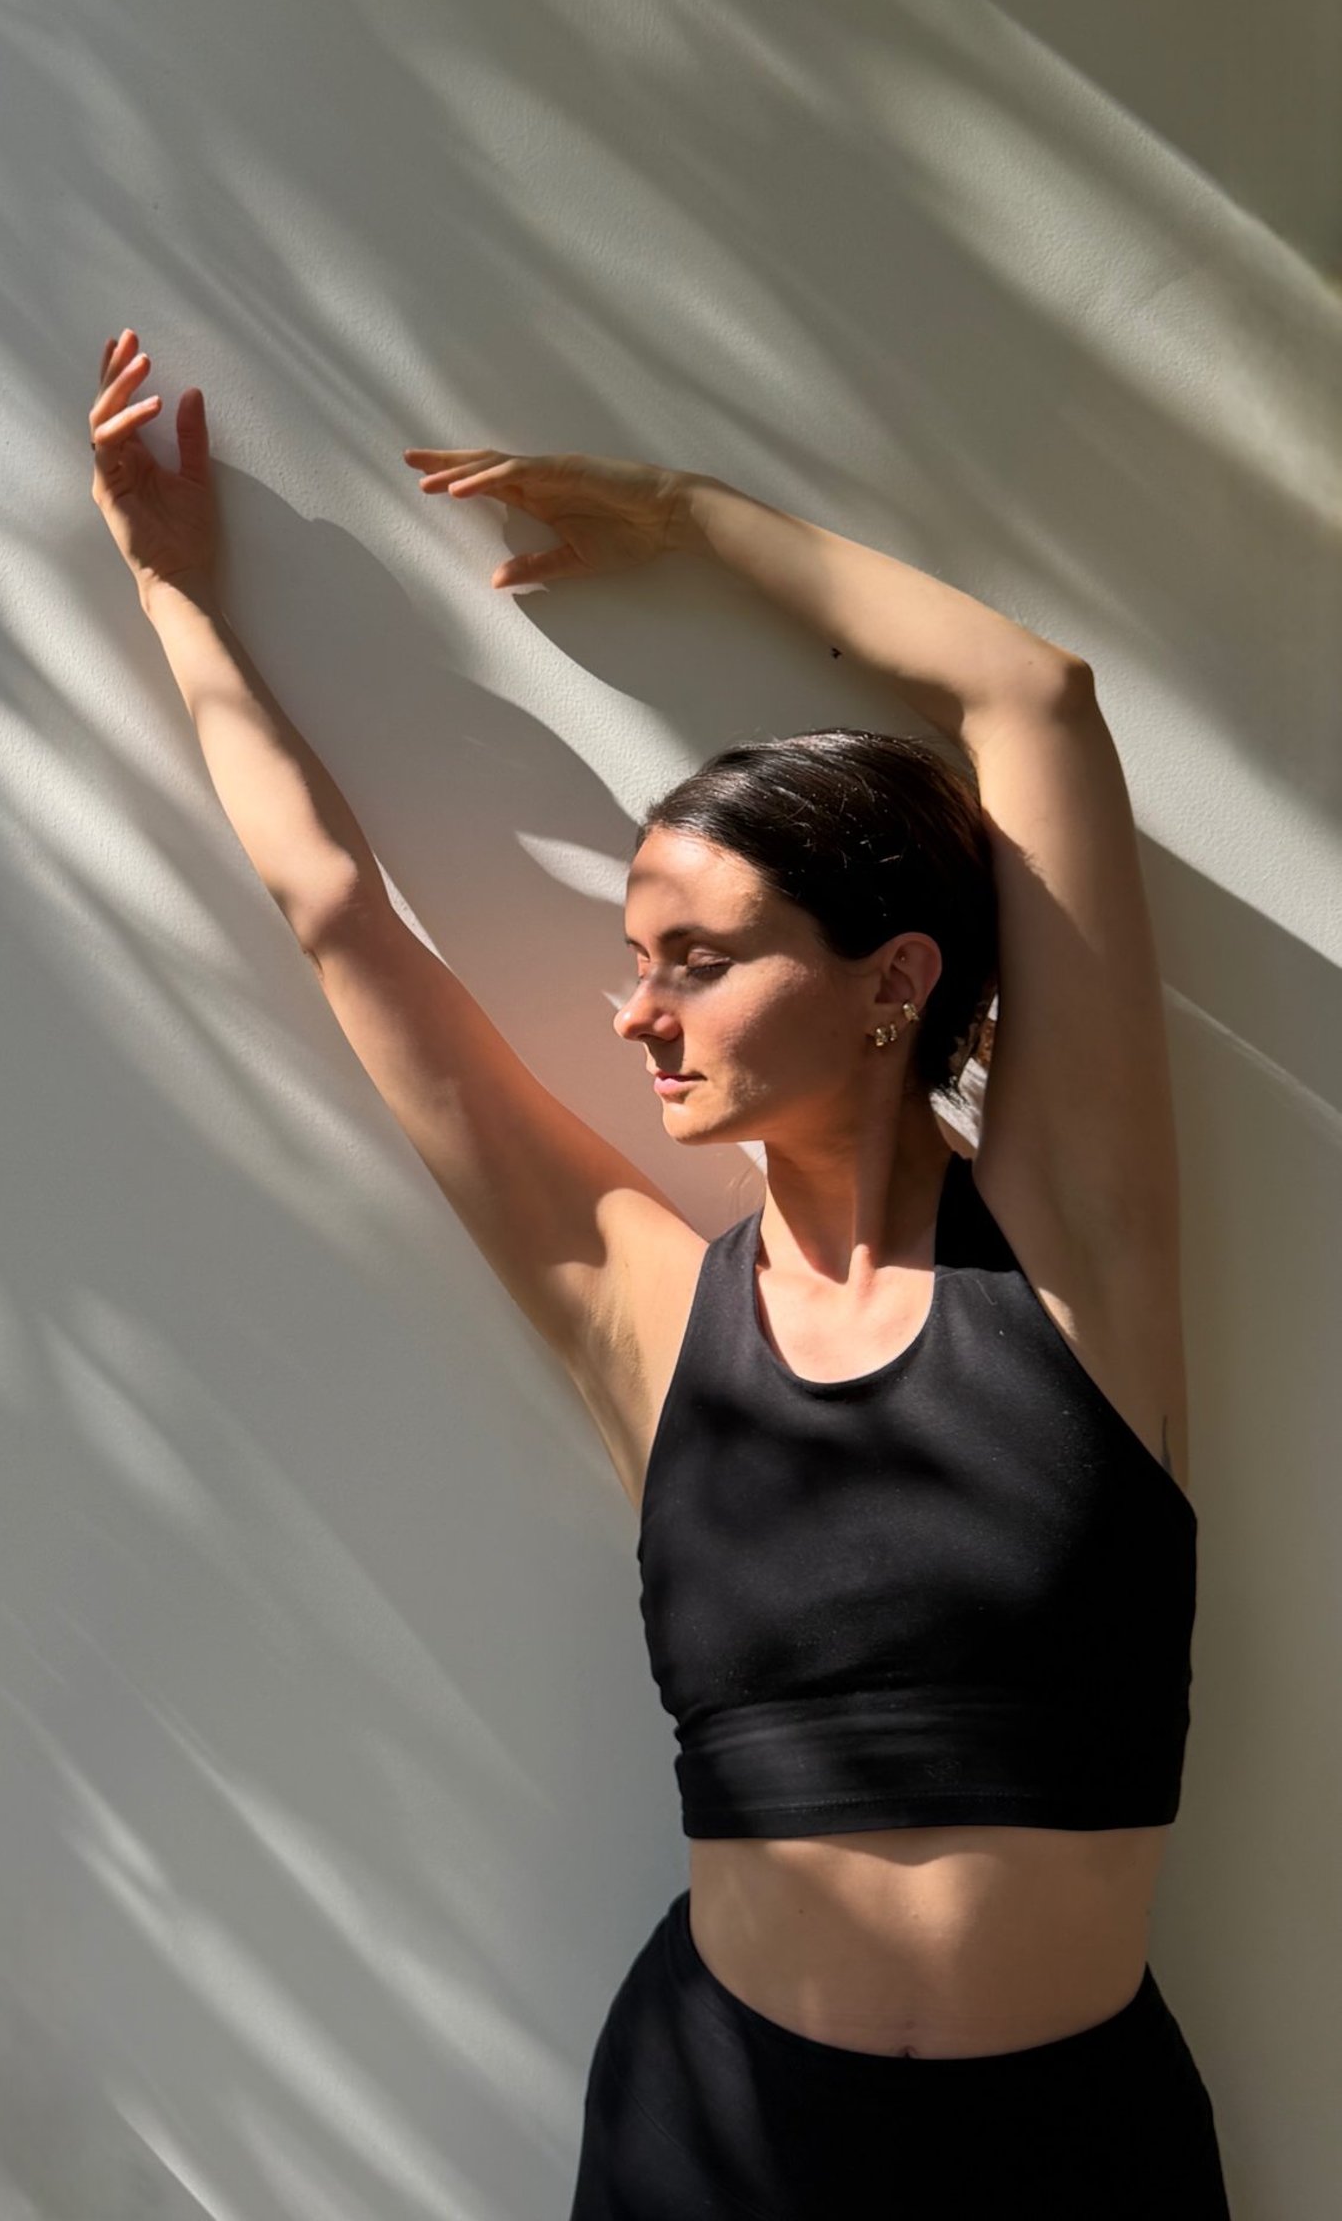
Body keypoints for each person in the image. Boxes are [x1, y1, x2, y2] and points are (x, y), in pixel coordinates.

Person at [87, 329, 1231, 2217]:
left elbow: (1032, 694)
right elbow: (338, 914)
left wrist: (693, 516)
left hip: (1070, 2162)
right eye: (633, 961)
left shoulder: (1071, 1254)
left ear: (894, 980)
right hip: (713, 2146)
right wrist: (175, 597)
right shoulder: (645, 1310)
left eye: (696, 959)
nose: (637, 1013)